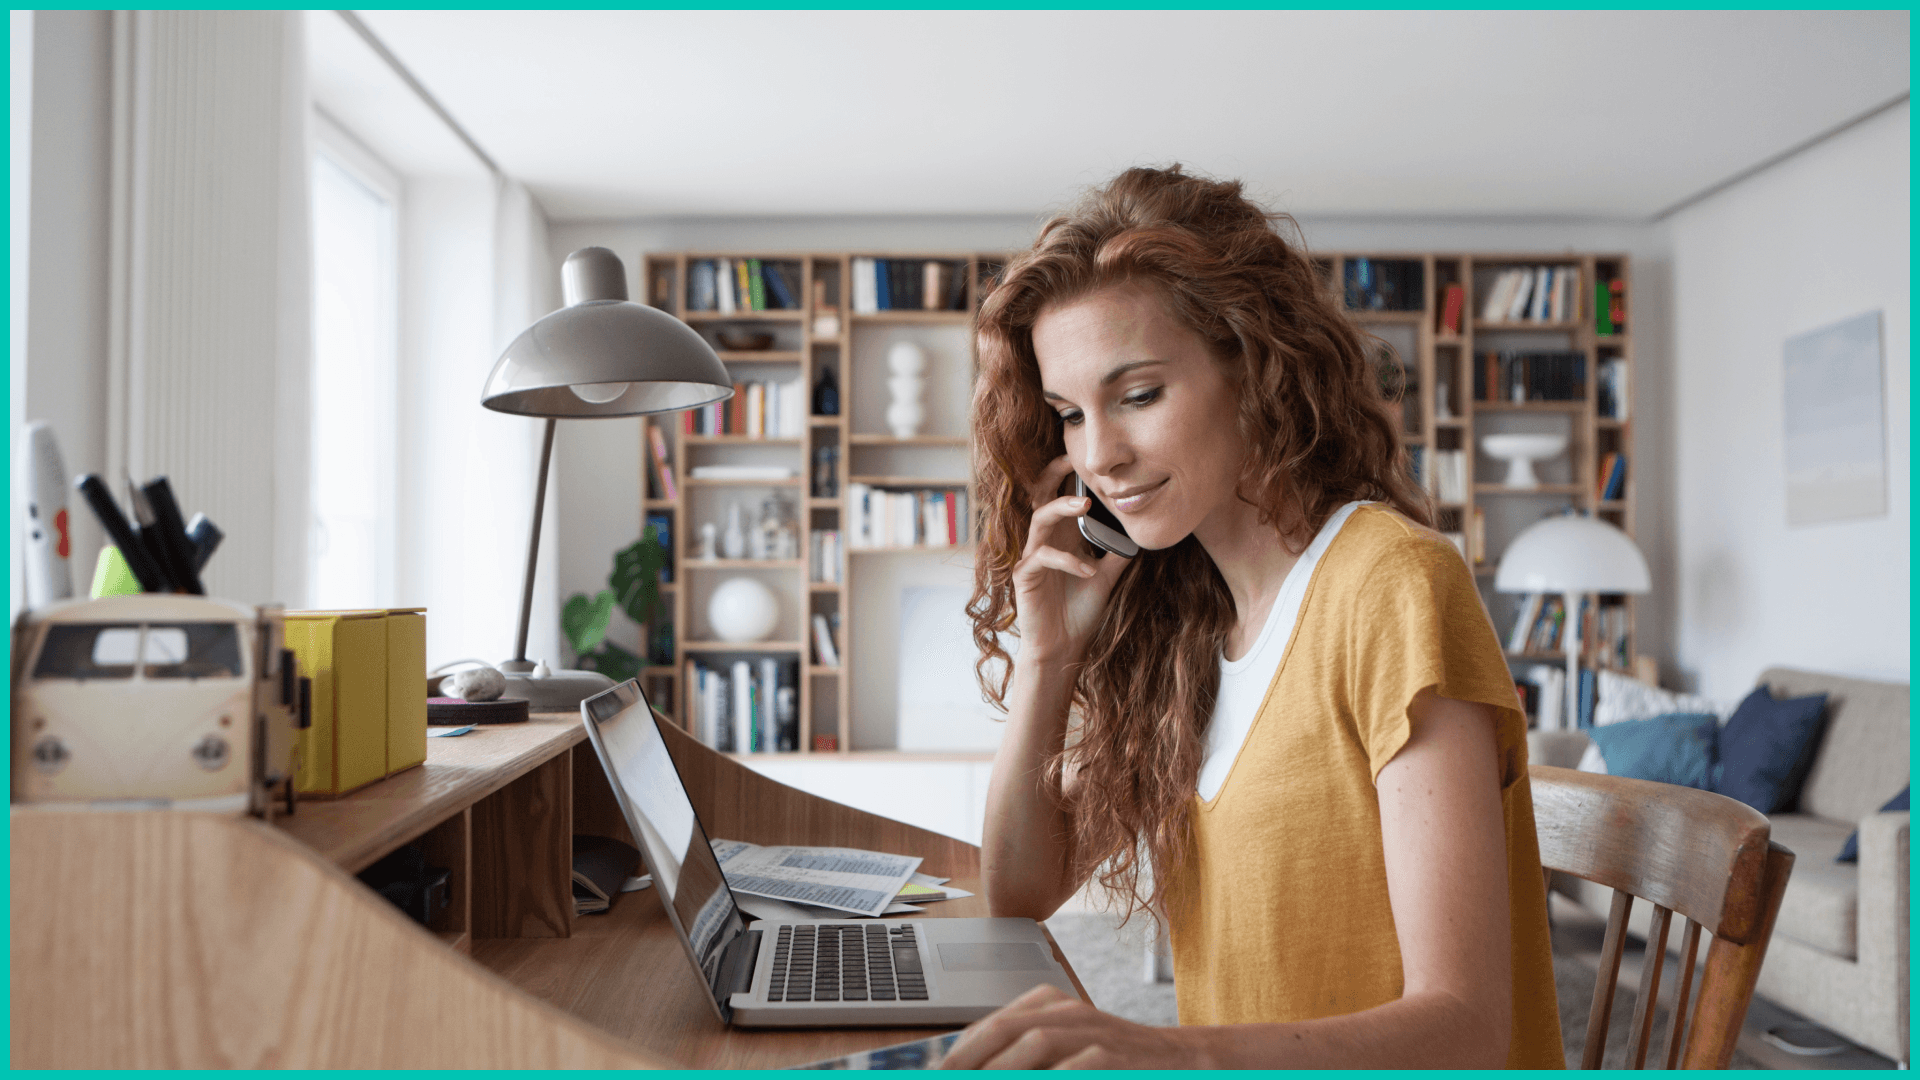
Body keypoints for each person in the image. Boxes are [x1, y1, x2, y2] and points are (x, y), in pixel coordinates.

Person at [944, 166, 1562, 1069]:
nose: (1101, 456)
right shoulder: (1190, 626)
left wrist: (1165, 1053)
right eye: (1071, 414)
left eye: (1140, 395)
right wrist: (1049, 657)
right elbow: (1017, 894)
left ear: (1254, 364)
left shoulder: (1390, 584)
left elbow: (1466, 1030)